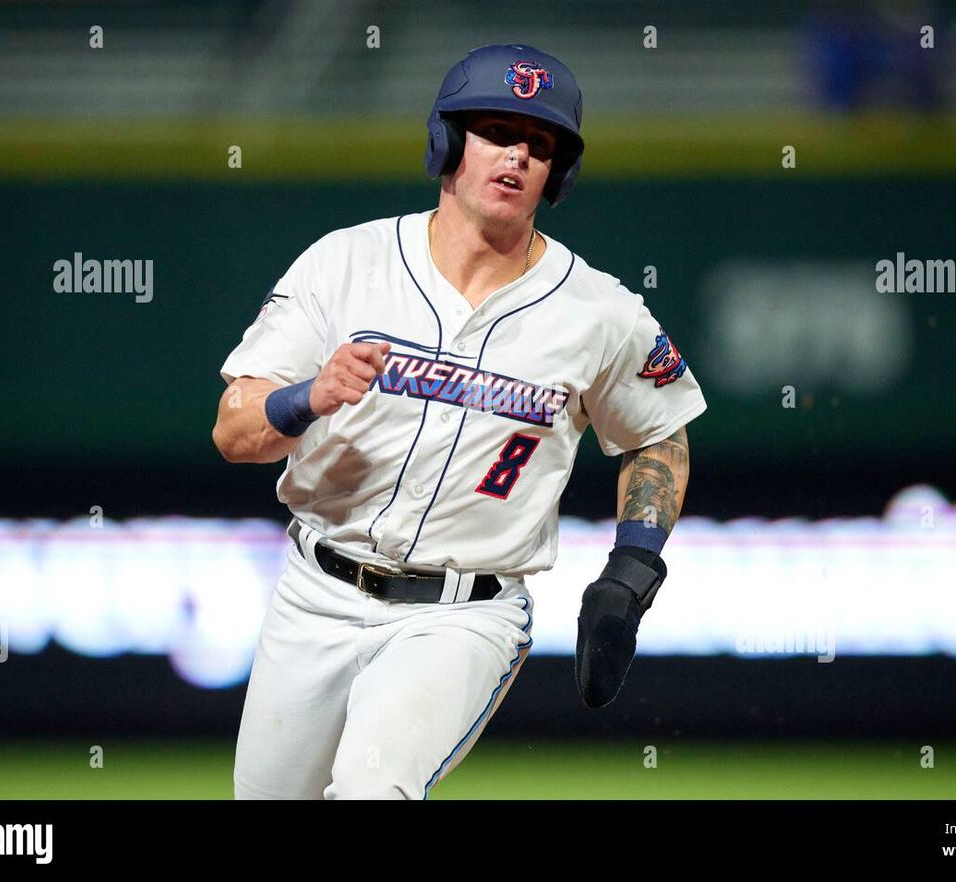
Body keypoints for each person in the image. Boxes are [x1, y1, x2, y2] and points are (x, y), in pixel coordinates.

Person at [212, 43, 706, 800]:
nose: (516, 156)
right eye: (496, 132)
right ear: (447, 144)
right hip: (315, 594)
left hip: (460, 615)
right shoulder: (346, 263)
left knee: (374, 793)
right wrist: (308, 396)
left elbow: (657, 434)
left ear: (557, 173)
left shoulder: (599, 312)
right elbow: (234, 432)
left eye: (539, 145)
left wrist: (632, 571)